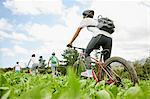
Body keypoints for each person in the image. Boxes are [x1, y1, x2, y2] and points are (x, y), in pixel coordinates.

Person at [67, 10, 113, 78]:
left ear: (85, 16)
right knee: (106, 60)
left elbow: (77, 32)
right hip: (109, 38)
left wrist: (70, 42)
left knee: (87, 53)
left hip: (99, 36)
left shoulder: (85, 20)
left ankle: (89, 73)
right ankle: (111, 78)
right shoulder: (97, 21)